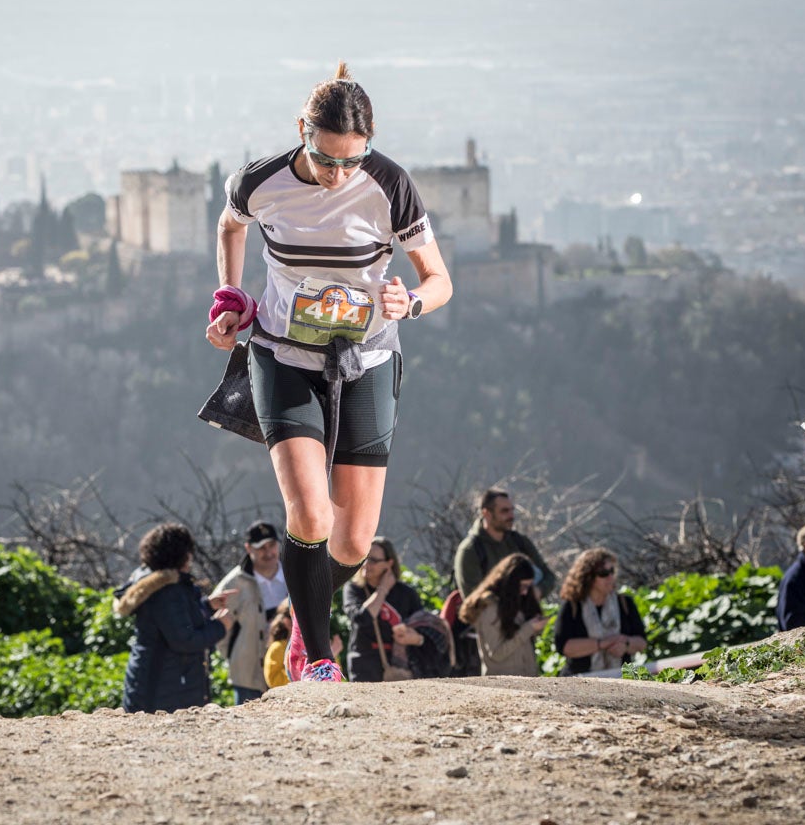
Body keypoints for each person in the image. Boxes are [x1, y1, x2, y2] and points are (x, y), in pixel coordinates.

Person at [206, 62, 452, 683]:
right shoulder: (260, 180)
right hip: (284, 356)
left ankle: (305, 603)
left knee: (351, 544)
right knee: (311, 517)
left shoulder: (390, 183)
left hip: (367, 359)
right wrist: (229, 296)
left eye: (351, 160)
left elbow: (439, 279)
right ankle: (316, 655)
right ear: (302, 132)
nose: (338, 174)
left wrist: (412, 302)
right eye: (325, 160)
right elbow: (230, 224)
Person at [115, 523, 234, 713]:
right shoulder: (167, 591)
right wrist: (220, 626)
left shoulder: (162, 583)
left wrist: (207, 606)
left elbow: (175, 620)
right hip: (164, 688)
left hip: (158, 682)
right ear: (182, 555)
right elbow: (184, 640)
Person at [212, 520, 289, 704]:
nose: (268, 552)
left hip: (286, 671)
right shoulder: (234, 583)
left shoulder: (291, 574)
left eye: (271, 545)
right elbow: (217, 625)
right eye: (261, 547)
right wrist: (235, 656)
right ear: (248, 548)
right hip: (249, 676)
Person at [552, 548, 647, 676]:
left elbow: (642, 642)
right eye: (603, 573)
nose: (610, 577)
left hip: (620, 681)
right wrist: (603, 644)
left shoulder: (625, 603)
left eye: (612, 571)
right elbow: (563, 647)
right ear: (588, 577)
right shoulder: (572, 606)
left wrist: (625, 644)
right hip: (580, 683)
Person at [342, 537, 425, 682]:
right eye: (364, 558)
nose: (366, 564)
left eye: (373, 560)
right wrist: (383, 590)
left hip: (399, 667)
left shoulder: (406, 594)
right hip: (363, 664)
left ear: (389, 563)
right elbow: (361, 619)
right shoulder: (354, 589)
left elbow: (422, 628)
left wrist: (415, 638)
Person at [453, 488, 555, 601]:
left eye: (512, 510)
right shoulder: (470, 550)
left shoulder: (520, 542)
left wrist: (538, 591)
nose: (511, 516)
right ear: (486, 513)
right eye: (504, 511)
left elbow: (548, 577)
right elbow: (473, 598)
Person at [458, 553, 547, 677]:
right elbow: (496, 654)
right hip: (502, 685)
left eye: (529, 586)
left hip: (526, 681)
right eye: (523, 586)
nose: (525, 592)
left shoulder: (515, 601)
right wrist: (528, 628)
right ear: (511, 582)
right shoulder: (489, 608)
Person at [262, 599, 344, 689]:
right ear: (286, 621)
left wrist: (331, 655)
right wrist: (303, 673)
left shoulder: (320, 644)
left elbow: (334, 678)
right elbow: (273, 680)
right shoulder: (277, 647)